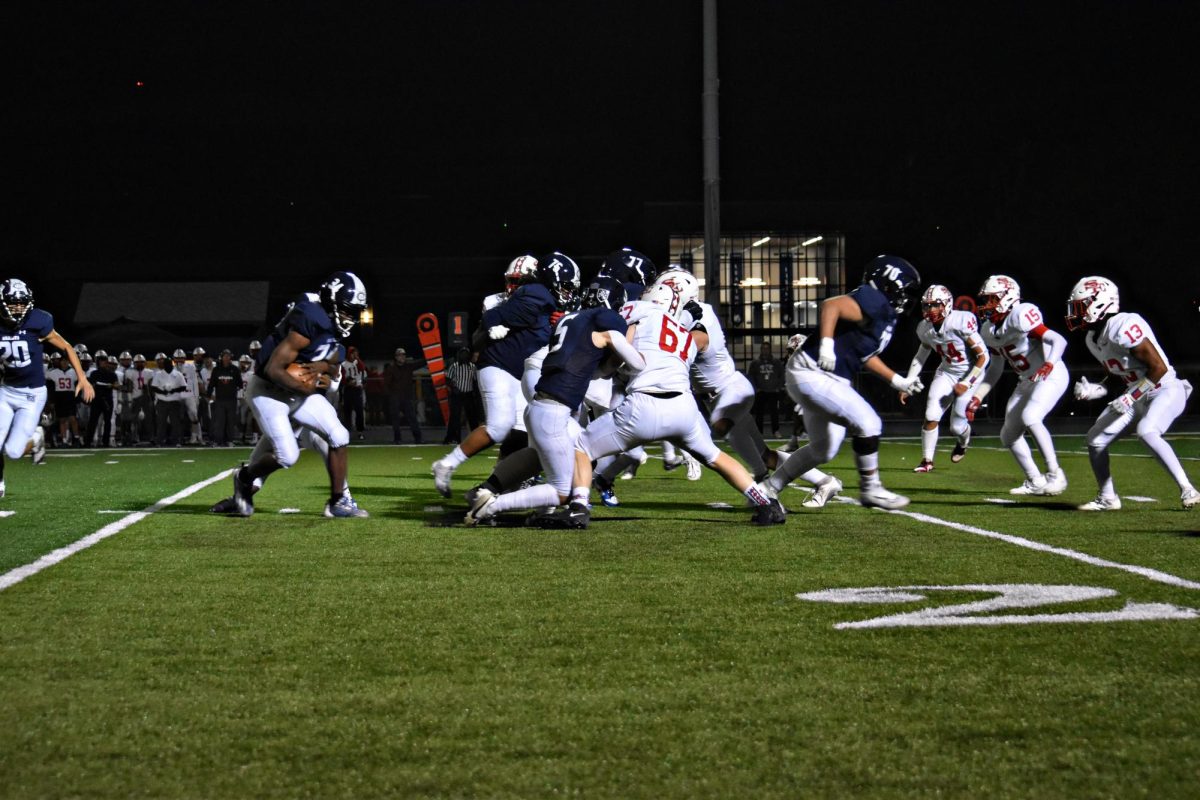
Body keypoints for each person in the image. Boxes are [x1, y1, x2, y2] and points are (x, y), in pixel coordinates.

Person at [568, 279, 786, 526]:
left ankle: (577, 507)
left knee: (581, 446)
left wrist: (603, 368)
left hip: (643, 405)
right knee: (715, 457)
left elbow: (622, 352)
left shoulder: (637, 315)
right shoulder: (684, 333)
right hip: (684, 408)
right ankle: (766, 503)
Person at [465, 277, 647, 526]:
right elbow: (637, 364)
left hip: (541, 403)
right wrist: (625, 341)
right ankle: (488, 506)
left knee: (557, 452)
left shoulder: (569, 320)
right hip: (554, 410)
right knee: (561, 490)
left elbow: (594, 370)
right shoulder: (607, 319)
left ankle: (486, 489)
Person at [765, 255, 925, 510]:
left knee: (822, 450)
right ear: (888, 283)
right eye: (905, 290)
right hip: (814, 373)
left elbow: (865, 355)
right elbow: (832, 306)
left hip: (822, 377)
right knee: (869, 423)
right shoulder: (874, 298)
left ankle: (768, 490)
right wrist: (827, 344)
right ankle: (871, 489)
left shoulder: (885, 314)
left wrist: (897, 380)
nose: (907, 297)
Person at [224, 271, 370, 518]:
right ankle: (244, 477)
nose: (351, 318)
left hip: (296, 391)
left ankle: (338, 502)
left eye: (354, 312)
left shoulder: (330, 327)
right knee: (287, 455)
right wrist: (309, 388)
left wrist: (324, 367)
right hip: (269, 390)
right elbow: (274, 369)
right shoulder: (310, 318)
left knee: (339, 434)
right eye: (347, 310)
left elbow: (334, 361)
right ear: (332, 302)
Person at [431, 253, 578, 498]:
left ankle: (494, 485)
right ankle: (447, 464)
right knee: (499, 426)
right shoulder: (511, 299)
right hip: (498, 367)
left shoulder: (548, 303)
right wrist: (491, 327)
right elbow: (480, 335)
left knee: (523, 432)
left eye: (521, 281)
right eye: (513, 280)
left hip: (522, 373)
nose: (515, 287)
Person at [1064, 276, 1198, 510]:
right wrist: (1097, 389)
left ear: (1100, 303)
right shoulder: (1092, 338)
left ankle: (1188, 488)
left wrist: (1130, 397)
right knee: (1095, 440)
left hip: (1164, 388)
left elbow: (1159, 368)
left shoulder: (1124, 324)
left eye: (1081, 306)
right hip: (1135, 394)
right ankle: (1108, 498)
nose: (1077, 312)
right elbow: (1120, 376)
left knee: (1147, 431)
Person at [968, 275, 1069, 497]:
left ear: (1008, 297)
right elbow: (995, 368)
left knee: (1031, 417)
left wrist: (1049, 363)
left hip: (1051, 374)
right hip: (1027, 380)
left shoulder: (1021, 314)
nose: (987, 305)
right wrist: (978, 396)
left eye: (992, 299)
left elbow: (1059, 340)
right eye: (986, 299)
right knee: (1008, 435)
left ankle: (1055, 474)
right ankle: (1035, 480)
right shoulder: (988, 330)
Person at [0, 279, 94, 498]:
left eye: (22, 303)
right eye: (13, 304)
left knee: (13, 452)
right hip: (6, 391)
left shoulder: (38, 320)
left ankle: (37, 437)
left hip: (32, 393)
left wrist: (82, 377)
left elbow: (66, 347)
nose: (18, 308)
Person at [899, 284, 990, 472]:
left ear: (947, 304)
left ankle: (963, 443)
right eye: (927, 305)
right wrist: (907, 382)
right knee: (931, 413)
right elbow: (920, 355)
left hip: (971, 372)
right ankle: (927, 461)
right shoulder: (924, 328)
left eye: (935, 305)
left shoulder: (960, 321)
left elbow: (983, 357)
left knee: (957, 426)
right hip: (947, 372)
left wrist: (966, 382)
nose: (930, 310)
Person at [383, 347, 423, 444]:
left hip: (406, 397)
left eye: (404, 355)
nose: (402, 357)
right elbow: (386, 384)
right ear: (396, 357)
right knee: (395, 419)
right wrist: (390, 397)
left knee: (412, 418)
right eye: (400, 355)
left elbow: (420, 363)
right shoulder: (391, 369)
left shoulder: (408, 366)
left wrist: (429, 355)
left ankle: (418, 439)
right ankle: (397, 439)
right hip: (395, 397)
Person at [443, 347, 481, 444]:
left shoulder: (472, 367)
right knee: (455, 417)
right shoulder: (454, 366)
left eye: (466, 354)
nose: (464, 356)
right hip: (457, 395)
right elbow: (448, 379)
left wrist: (475, 394)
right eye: (462, 354)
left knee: (472, 417)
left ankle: (476, 438)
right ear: (459, 355)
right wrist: (454, 388)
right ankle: (453, 438)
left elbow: (475, 381)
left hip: (468, 394)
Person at [149, 351, 188, 446]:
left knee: (176, 423)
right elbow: (153, 387)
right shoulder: (158, 374)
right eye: (165, 364)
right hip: (162, 401)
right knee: (161, 423)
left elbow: (184, 387)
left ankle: (176, 441)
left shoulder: (178, 374)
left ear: (172, 364)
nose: (167, 365)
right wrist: (163, 391)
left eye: (168, 363)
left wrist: (173, 390)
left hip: (175, 401)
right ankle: (160, 441)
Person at [748, 342, 785, 438]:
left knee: (774, 413)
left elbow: (782, 375)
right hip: (761, 391)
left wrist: (779, 387)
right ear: (761, 350)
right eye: (763, 348)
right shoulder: (755, 363)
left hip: (773, 391)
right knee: (759, 413)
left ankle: (776, 431)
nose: (765, 350)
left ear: (770, 350)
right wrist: (756, 389)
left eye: (767, 348)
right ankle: (759, 432)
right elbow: (751, 377)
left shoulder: (776, 362)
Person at [207, 349, 243, 446]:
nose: (227, 358)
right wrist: (209, 395)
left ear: (231, 357)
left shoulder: (235, 370)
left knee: (231, 421)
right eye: (225, 356)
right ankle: (218, 440)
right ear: (221, 357)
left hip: (232, 399)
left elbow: (240, 384)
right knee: (219, 421)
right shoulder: (216, 370)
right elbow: (211, 384)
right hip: (220, 399)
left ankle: (229, 440)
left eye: (228, 356)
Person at [46, 352, 83, 447]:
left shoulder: (74, 372)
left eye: (66, 361)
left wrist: (78, 398)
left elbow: (79, 384)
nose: (64, 363)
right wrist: (51, 400)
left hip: (70, 396)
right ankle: (64, 440)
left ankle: (76, 438)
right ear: (60, 362)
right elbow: (50, 386)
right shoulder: (53, 372)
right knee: (62, 420)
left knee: (73, 419)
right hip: (59, 397)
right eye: (62, 361)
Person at [83, 350, 119, 447]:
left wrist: (110, 385)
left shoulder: (112, 374)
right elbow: (92, 384)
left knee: (107, 421)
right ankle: (88, 442)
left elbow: (116, 385)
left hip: (107, 400)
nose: (102, 363)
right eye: (100, 362)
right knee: (92, 421)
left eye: (104, 362)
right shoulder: (94, 373)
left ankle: (105, 442)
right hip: (96, 400)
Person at [340, 345, 367, 440]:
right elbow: (342, 378)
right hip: (349, 389)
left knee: (359, 411)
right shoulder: (343, 364)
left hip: (358, 389)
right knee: (347, 411)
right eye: (352, 353)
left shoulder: (357, 362)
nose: (354, 355)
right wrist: (348, 382)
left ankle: (360, 431)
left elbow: (362, 368)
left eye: (355, 352)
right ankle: (347, 431)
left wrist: (357, 358)